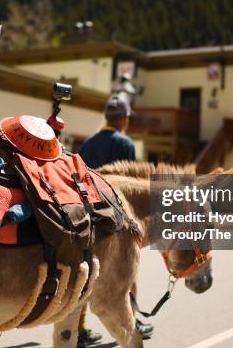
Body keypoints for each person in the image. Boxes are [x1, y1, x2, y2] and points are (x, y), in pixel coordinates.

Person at [76, 95, 153, 346]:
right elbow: (128, 180)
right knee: (127, 274)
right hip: (116, 214)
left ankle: (80, 329)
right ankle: (132, 321)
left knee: (85, 274)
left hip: (88, 213)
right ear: (125, 119)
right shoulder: (125, 143)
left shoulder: (88, 143)